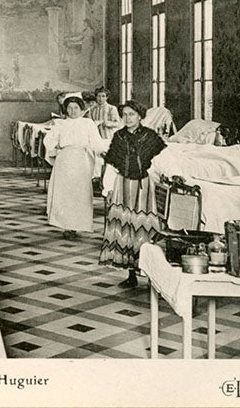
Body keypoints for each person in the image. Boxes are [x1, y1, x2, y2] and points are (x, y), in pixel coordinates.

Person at [98, 99, 167, 288]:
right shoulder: (119, 137)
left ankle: (153, 274)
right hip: (123, 185)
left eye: (132, 114)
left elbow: (161, 160)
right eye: (125, 114)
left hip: (144, 186)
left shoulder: (150, 136)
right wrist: (108, 188)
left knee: (144, 227)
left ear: (139, 116)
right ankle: (131, 275)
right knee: (126, 227)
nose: (128, 118)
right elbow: (112, 163)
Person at [43, 96, 105, 239]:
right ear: (65, 109)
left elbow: (96, 143)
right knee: (64, 193)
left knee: (80, 193)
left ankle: (78, 224)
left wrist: (104, 152)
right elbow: (48, 142)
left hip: (81, 161)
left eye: (76, 107)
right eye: (69, 108)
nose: (73, 111)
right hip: (64, 160)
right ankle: (66, 226)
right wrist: (57, 145)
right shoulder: (59, 124)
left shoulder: (88, 123)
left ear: (82, 109)